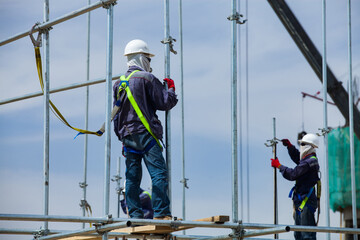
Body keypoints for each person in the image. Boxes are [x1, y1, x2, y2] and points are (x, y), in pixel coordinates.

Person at [113, 39, 178, 220]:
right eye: (148, 59)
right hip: (146, 135)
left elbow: (116, 116)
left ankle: (134, 215)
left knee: (132, 178)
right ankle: (161, 213)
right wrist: (170, 89)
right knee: (158, 174)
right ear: (142, 58)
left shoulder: (119, 83)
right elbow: (165, 102)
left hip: (128, 136)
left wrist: (123, 139)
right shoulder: (147, 78)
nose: (149, 63)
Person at [271, 133, 320, 240]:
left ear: (309, 146)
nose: (301, 146)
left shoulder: (310, 161)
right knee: (298, 235)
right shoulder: (309, 159)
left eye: (302, 144)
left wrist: (279, 166)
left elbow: (293, 174)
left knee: (307, 235)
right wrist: (290, 147)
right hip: (301, 200)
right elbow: (298, 159)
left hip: (305, 201)